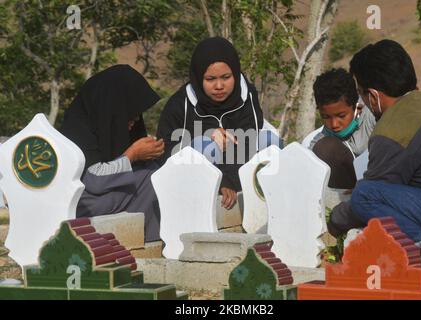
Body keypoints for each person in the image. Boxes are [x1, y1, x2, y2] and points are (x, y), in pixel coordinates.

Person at [329, 39, 421, 286]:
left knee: (364, 195)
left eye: (362, 94)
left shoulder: (392, 130)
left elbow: (373, 199)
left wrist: (334, 220)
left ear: (373, 95)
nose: (362, 102)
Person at [156, 37, 282, 210]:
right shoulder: (180, 105)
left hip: (236, 169)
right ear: (199, 77)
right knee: (205, 144)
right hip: (193, 180)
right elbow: (166, 152)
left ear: (235, 74)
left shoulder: (246, 95)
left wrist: (228, 179)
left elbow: (248, 140)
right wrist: (207, 136)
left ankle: (268, 202)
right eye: (210, 79)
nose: (219, 86)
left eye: (226, 77)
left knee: (269, 141)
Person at [60, 64, 164, 242]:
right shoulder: (78, 128)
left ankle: (146, 242)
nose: (135, 120)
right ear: (112, 108)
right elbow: (93, 180)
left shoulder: (109, 123)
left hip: (105, 197)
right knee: (149, 179)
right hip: (81, 204)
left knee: (155, 173)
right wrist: (132, 155)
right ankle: (147, 243)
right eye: (129, 113)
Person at [308, 68, 375, 189]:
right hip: (345, 196)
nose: (334, 124)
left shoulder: (373, 119)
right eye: (326, 117)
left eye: (341, 116)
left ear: (356, 106)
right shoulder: (320, 142)